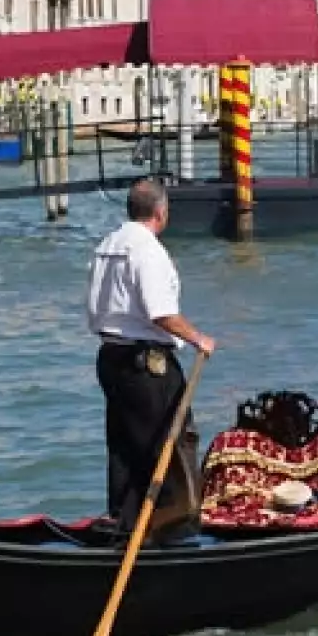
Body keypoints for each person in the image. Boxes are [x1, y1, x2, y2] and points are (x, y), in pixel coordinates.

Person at [86, 178, 216, 540]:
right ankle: (170, 529)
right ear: (161, 212)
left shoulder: (106, 246)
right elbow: (161, 313)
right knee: (166, 445)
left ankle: (124, 523)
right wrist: (198, 339)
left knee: (125, 443)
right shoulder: (148, 251)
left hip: (111, 357)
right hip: (146, 363)